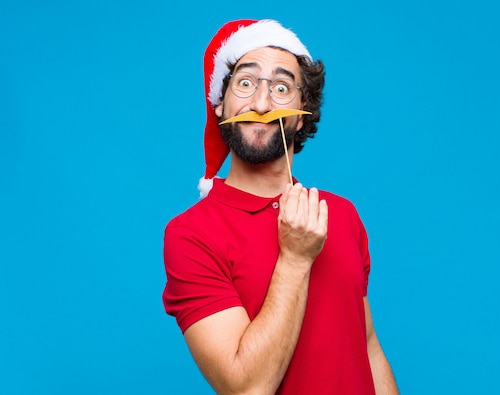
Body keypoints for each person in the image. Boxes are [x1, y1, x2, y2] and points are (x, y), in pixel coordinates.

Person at [162, 19, 399, 394]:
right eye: (245, 83)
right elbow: (246, 388)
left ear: (303, 111)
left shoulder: (341, 214)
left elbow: (368, 349)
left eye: (282, 88)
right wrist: (295, 258)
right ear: (220, 104)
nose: (260, 103)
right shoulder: (190, 234)